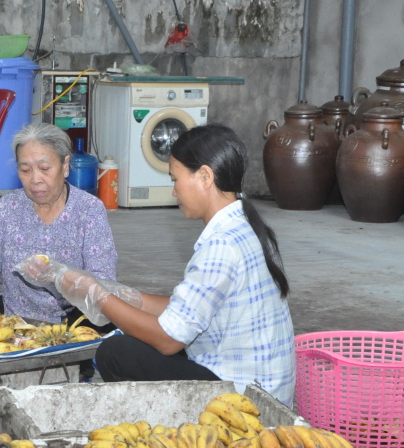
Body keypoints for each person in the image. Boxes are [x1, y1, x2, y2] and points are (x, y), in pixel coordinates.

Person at [17, 124, 296, 405]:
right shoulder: (245, 225)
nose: (174, 191)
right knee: (129, 325)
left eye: (175, 179)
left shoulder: (221, 246)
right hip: (262, 385)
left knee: (116, 352)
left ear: (205, 177)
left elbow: (168, 339)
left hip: (244, 399)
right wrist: (124, 295)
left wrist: (96, 294)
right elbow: (188, 309)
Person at [0, 122, 117, 326]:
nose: (35, 179)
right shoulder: (9, 206)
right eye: (25, 170)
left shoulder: (89, 209)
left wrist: (60, 277)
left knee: (110, 317)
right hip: (12, 316)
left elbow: (103, 279)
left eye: (45, 168)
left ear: (65, 165)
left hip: (71, 317)